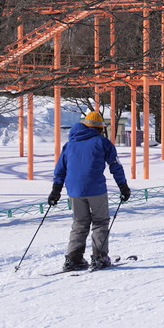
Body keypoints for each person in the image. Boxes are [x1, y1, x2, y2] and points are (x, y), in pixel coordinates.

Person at [48, 111, 131, 271]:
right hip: (96, 188)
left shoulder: (70, 144)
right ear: (100, 128)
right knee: (100, 222)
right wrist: (123, 186)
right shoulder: (102, 142)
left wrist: (55, 190)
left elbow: (60, 169)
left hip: (74, 190)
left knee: (79, 223)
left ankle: (73, 259)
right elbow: (115, 165)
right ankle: (99, 257)